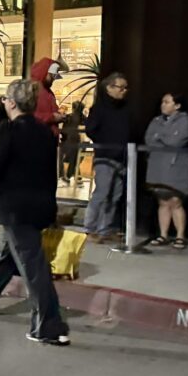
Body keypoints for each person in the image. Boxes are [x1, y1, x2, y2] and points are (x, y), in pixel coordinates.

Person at [0, 79, 71, 346]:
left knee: (34, 266)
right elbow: (49, 172)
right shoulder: (44, 132)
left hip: (16, 207)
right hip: (39, 205)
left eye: (6, 98)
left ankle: (48, 325)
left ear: (12, 103)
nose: (4, 102)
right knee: (8, 255)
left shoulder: (9, 131)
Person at [83, 73, 131, 247]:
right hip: (105, 156)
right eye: (120, 87)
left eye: (126, 88)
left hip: (121, 157)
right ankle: (90, 228)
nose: (124, 91)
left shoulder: (124, 109)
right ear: (109, 88)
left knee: (115, 194)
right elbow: (91, 129)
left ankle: (105, 229)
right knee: (102, 192)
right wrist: (105, 142)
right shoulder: (99, 108)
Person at [143, 93, 188, 249]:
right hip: (158, 165)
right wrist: (164, 137)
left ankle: (180, 236)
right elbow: (149, 139)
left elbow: (176, 141)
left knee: (175, 201)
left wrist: (161, 136)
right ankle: (163, 234)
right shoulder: (156, 120)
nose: (163, 105)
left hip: (175, 166)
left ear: (177, 105)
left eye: (167, 102)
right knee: (163, 201)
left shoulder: (186, 121)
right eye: (162, 102)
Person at [30, 58, 67, 137]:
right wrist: (52, 117)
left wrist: (59, 115)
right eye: (52, 75)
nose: (54, 78)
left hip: (48, 139)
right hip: (38, 138)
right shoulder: (32, 89)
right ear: (45, 72)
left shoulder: (48, 91)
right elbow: (29, 116)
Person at [59, 101, 86, 184]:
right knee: (75, 159)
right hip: (81, 142)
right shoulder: (84, 118)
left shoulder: (69, 117)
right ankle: (75, 176)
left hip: (69, 142)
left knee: (69, 159)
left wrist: (63, 140)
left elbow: (63, 131)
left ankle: (66, 175)